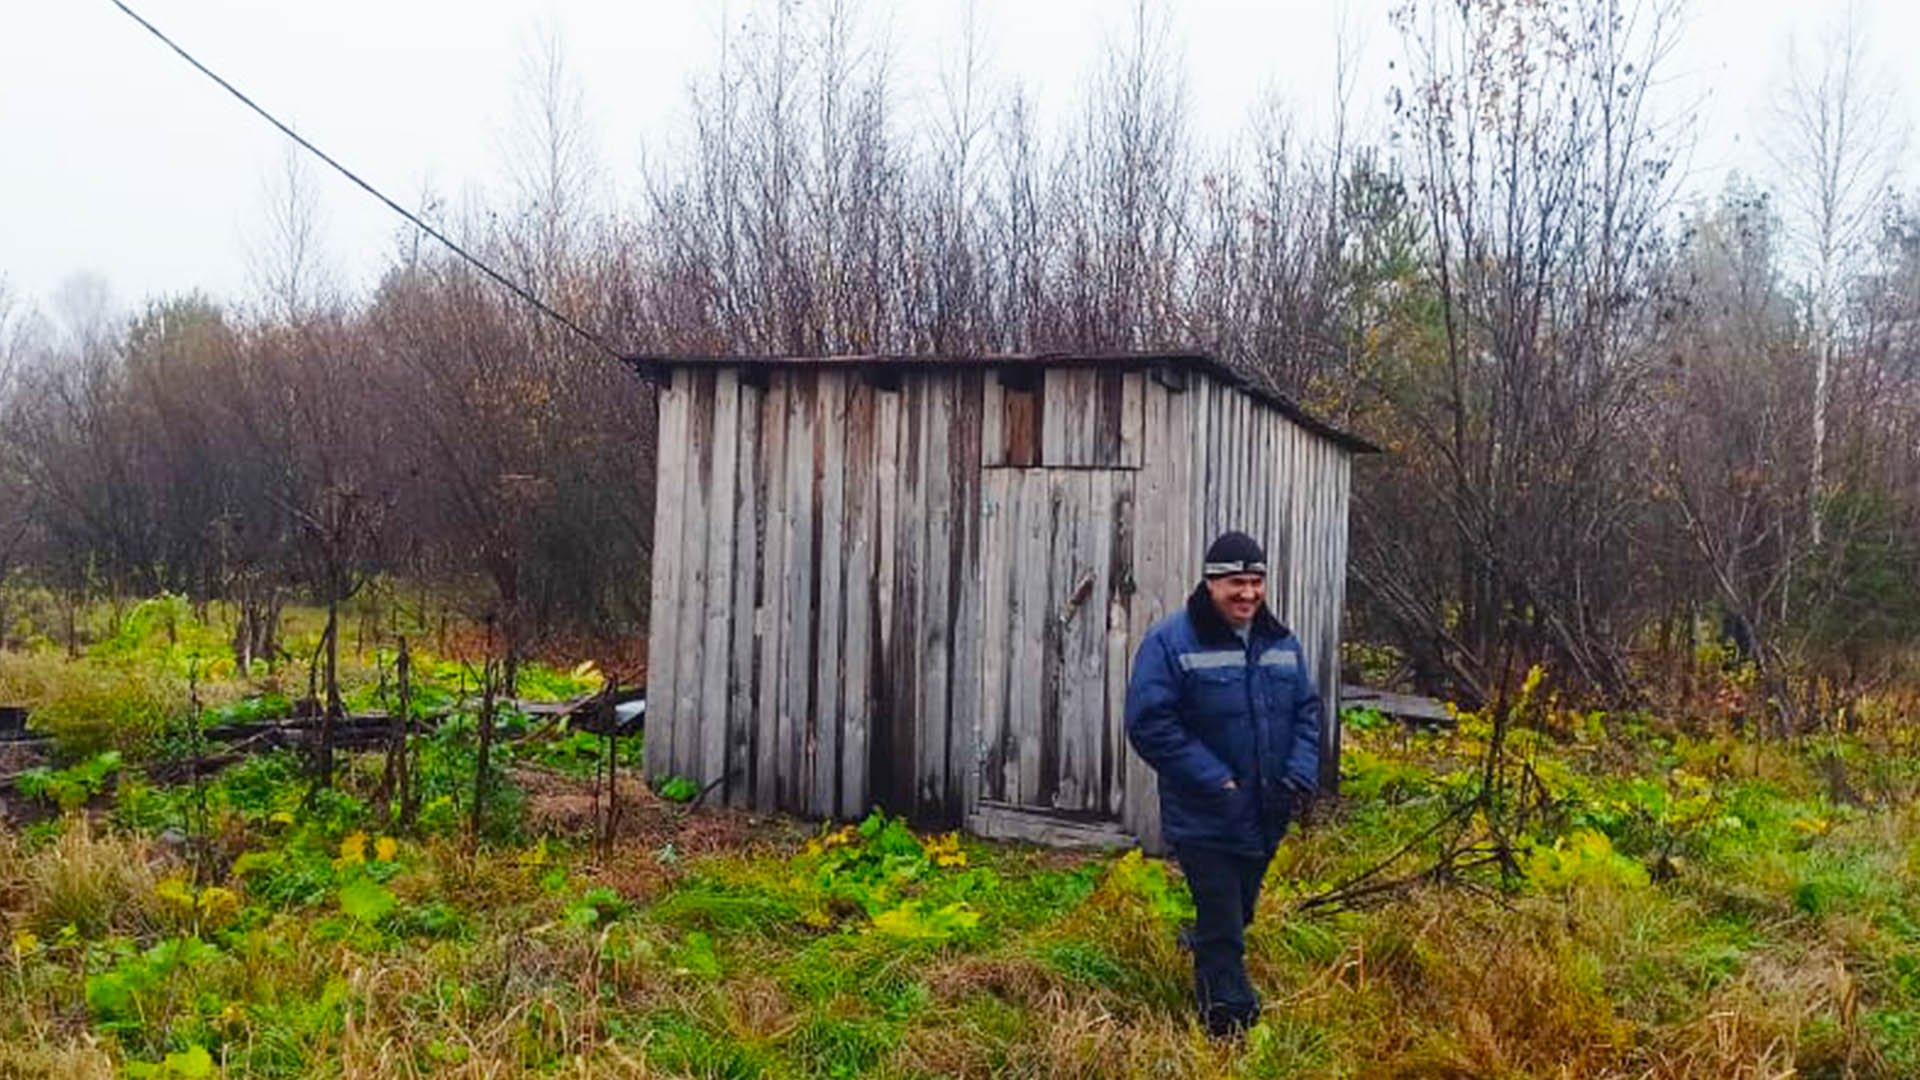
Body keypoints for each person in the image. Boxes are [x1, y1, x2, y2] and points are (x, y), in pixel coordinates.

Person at [1124, 530, 1323, 1037]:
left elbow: (1307, 711)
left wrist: (1299, 772)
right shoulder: (1170, 643)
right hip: (1205, 814)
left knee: (1239, 908)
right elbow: (1150, 724)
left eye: (1256, 581)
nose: (1248, 593)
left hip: (1267, 811)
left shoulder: (1281, 643)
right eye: (1237, 582)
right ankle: (1229, 1021)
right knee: (1223, 918)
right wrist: (1217, 781)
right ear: (1211, 584)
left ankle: (1203, 944)